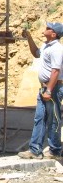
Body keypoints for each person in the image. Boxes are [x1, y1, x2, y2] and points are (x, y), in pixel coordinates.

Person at [19, 21, 63, 159]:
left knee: (53, 119)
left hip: (53, 89)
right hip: (44, 88)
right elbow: (36, 53)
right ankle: (35, 150)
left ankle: (55, 150)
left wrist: (49, 90)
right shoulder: (46, 46)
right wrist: (29, 38)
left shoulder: (57, 49)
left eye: (48, 28)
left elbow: (55, 71)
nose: (45, 29)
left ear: (54, 34)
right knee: (39, 118)